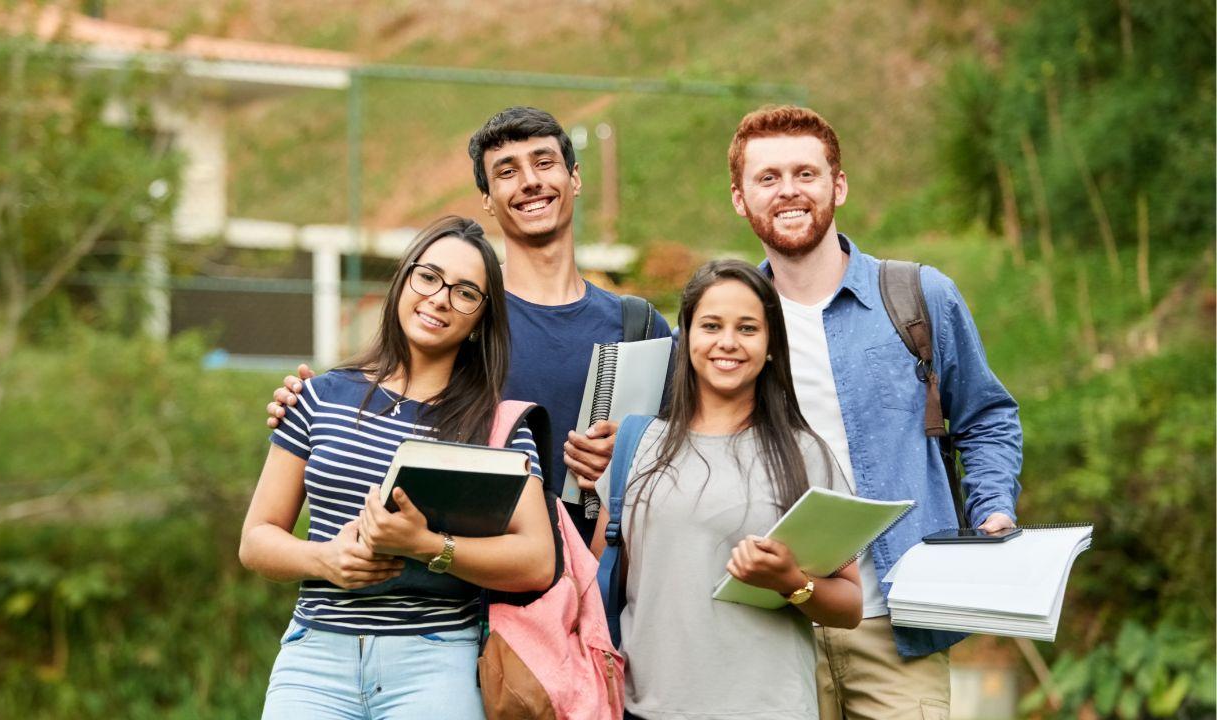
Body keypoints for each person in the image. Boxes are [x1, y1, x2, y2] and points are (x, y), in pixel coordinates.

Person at [727, 105, 1023, 719]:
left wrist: (992, 508)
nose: (788, 190)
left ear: (838, 185)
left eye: (805, 173)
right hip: (770, 628)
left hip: (899, 624)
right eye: (768, 177)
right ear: (740, 198)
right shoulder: (723, 326)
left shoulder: (918, 296)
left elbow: (987, 418)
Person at [267, 107, 672, 543]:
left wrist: (632, 454)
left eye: (543, 163)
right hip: (471, 590)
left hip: (601, 590)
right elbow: (383, 401)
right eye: (507, 171)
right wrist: (311, 402)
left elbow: (690, 452)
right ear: (487, 199)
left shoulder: (640, 326)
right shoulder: (458, 314)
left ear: (574, 177)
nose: (530, 181)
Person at [239, 216, 556, 720]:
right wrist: (324, 560)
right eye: (428, 277)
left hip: (436, 661)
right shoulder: (319, 397)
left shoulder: (498, 427)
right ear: (404, 279)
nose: (439, 298)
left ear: (481, 318)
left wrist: (429, 547)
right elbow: (256, 538)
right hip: (314, 659)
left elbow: (537, 561)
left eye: (465, 292)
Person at [591, 259, 862, 720]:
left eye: (748, 328)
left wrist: (793, 583)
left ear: (772, 344)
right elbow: (601, 585)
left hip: (769, 709)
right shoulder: (637, 445)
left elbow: (850, 606)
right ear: (687, 335)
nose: (728, 343)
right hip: (646, 707)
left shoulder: (803, 455)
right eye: (711, 325)